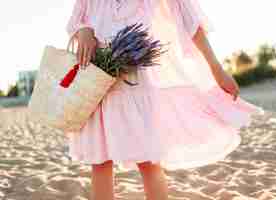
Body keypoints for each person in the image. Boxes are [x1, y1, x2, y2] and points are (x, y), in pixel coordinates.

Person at [65, 0, 264, 199]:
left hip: (138, 88)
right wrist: (84, 30)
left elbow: (191, 22)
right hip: (98, 86)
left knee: (149, 162)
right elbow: (76, 21)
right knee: (100, 162)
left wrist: (217, 70)